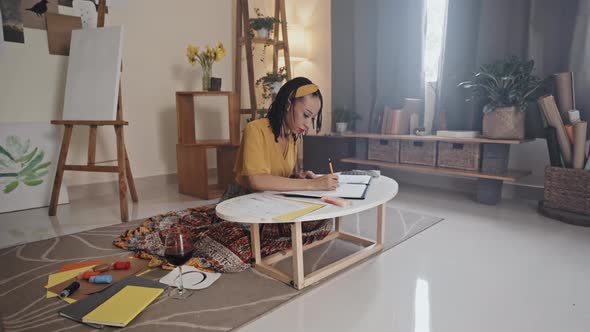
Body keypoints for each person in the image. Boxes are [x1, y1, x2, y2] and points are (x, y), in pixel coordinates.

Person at [114, 77, 337, 273]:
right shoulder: (256, 129)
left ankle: (272, 233)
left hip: (275, 202)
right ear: (288, 103)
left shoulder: (293, 137)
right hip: (244, 201)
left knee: (325, 221)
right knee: (232, 252)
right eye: (306, 115)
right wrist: (312, 186)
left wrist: (300, 177)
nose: (308, 125)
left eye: (312, 119)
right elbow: (257, 180)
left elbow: (283, 174)